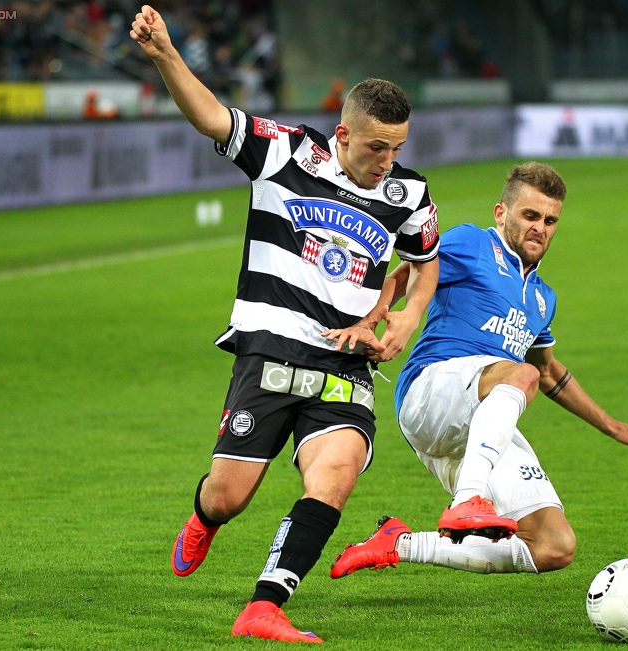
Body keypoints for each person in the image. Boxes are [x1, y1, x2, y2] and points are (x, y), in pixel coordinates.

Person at [129, 5, 440, 644]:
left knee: (337, 474)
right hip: (269, 354)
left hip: (343, 364)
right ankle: (203, 520)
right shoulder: (285, 152)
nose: (387, 160)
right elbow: (213, 116)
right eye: (376, 146)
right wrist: (164, 53)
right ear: (343, 135)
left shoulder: (408, 194)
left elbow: (423, 261)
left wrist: (402, 317)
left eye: (398, 148)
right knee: (227, 497)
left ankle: (265, 605)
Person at [329, 162, 628, 580]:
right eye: (530, 216)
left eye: (550, 220)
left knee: (553, 546)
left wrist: (612, 426)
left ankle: (398, 543)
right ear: (501, 213)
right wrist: (380, 318)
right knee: (519, 374)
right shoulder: (474, 244)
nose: (540, 228)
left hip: (479, 423)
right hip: (431, 390)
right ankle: (467, 499)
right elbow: (406, 275)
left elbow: (547, 373)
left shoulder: (543, 299)